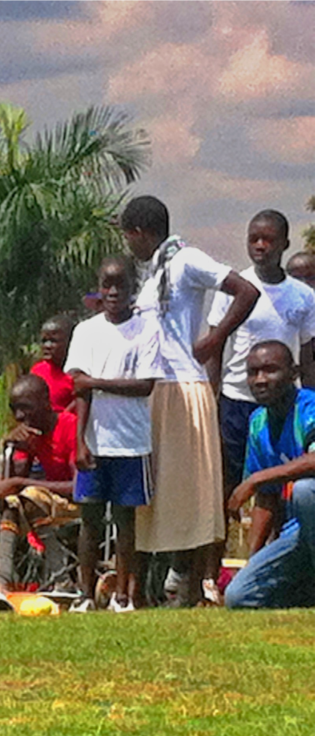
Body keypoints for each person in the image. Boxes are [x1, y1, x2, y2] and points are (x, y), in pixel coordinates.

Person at [123, 195, 259, 606]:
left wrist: (215, 339)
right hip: (154, 386)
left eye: (129, 237)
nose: (129, 246)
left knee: (188, 493)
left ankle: (191, 585)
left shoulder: (186, 261)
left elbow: (245, 291)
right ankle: (149, 589)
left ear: (141, 233)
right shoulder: (153, 275)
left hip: (183, 386)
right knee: (155, 493)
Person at [205, 210, 315, 602]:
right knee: (226, 491)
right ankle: (213, 577)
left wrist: (309, 397)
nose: (260, 246)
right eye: (254, 238)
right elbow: (216, 344)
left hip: (291, 402)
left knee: (301, 491)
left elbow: (307, 352)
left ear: (284, 244)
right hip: (237, 403)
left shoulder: (303, 297)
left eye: (269, 239)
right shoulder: (235, 287)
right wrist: (214, 394)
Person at [65, 257, 161, 612]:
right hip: (95, 440)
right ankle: (85, 594)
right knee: (89, 520)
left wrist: (97, 382)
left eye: (121, 285)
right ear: (99, 287)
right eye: (107, 285)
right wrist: (80, 440)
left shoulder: (146, 330)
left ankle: (124, 595)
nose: (114, 292)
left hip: (131, 441)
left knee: (125, 523)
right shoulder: (86, 331)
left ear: (132, 288)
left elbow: (145, 385)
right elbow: (79, 387)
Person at [224, 342, 315, 608]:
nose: (260, 380)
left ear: (293, 373)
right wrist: (253, 560)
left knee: (305, 491)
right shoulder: (258, 422)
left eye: (270, 371)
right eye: (253, 372)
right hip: (299, 531)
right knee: (239, 596)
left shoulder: (309, 407)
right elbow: (266, 500)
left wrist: (255, 479)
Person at [0, 375, 77, 609]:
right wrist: (13, 449)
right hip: (43, 506)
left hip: (77, 505)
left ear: (46, 402)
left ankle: (62, 578)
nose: (19, 416)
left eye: (25, 408)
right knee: (12, 503)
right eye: (15, 409)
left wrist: (19, 480)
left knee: (31, 495)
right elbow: (7, 491)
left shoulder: (69, 426)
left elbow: (80, 487)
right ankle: (2, 585)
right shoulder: (31, 434)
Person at [30, 315, 76, 413]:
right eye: (44, 341)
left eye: (53, 341)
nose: (47, 346)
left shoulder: (80, 372)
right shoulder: (38, 372)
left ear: (70, 342)